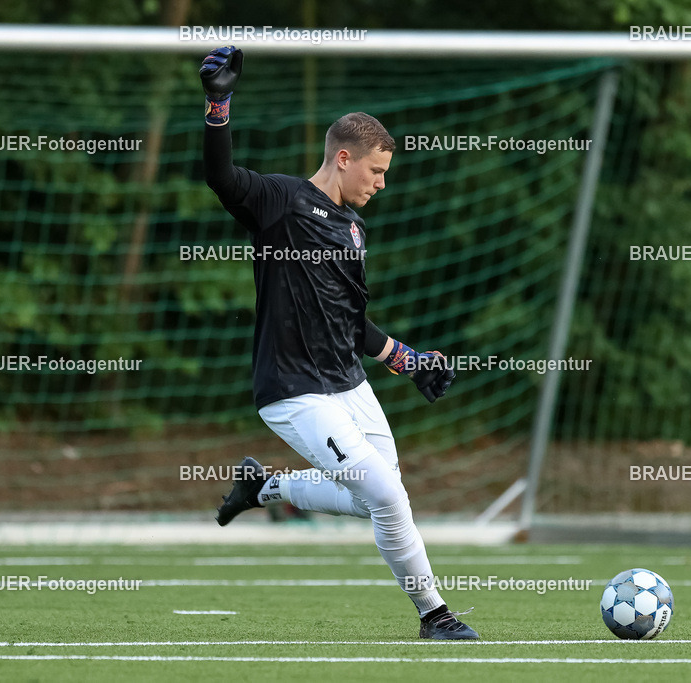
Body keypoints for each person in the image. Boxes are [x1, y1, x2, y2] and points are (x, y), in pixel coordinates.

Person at [200, 46, 478, 641]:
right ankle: (436, 616)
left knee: (382, 498)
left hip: (349, 386)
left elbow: (353, 323)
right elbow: (219, 178)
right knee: (382, 493)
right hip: (294, 391)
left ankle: (264, 487)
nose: (380, 183)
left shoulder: (354, 230)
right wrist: (218, 103)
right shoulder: (279, 202)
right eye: (375, 171)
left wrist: (409, 361)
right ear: (344, 157)